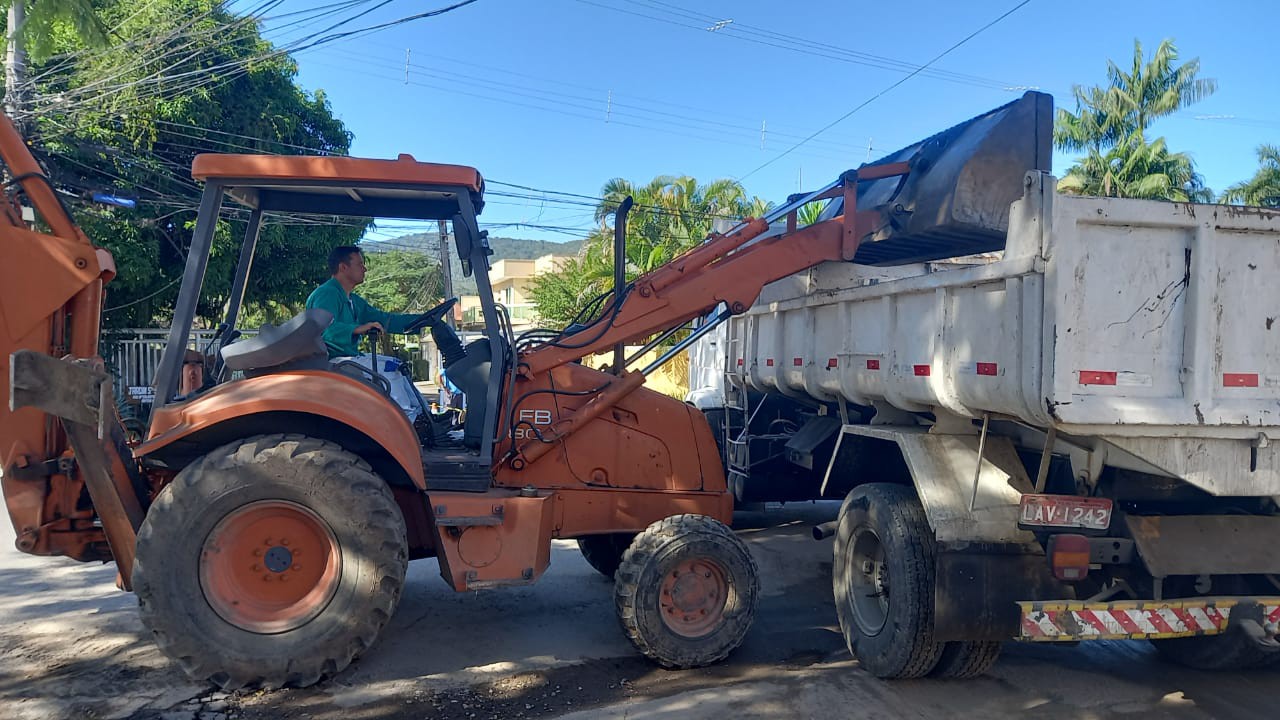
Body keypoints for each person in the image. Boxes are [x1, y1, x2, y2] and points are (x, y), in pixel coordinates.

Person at [306, 246, 421, 359]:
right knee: (394, 374)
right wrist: (357, 328)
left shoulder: (354, 301)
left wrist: (422, 321)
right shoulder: (327, 294)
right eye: (360, 264)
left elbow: (385, 320)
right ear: (343, 267)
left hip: (348, 359)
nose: (364, 269)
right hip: (330, 363)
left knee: (396, 367)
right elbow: (325, 330)